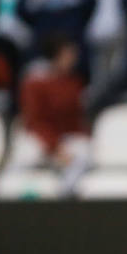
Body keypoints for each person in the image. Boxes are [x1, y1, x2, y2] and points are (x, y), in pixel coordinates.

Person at [19, 34, 90, 173]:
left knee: (84, 155)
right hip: (40, 137)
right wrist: (55, 147)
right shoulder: (34, 84)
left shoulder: (74, 83)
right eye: (69, 54)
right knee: (26, 157)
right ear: (56, 56)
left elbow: (76, 121)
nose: (73, 58)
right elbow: (35, 121)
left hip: (68, 138)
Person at [15, 0, 97, 83]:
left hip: (74, 65)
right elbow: (21, 11)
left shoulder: (76, 3)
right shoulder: (40, 4)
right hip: (43, 58)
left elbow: (91, 0)